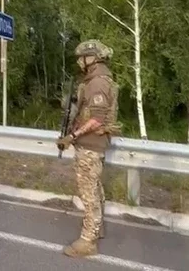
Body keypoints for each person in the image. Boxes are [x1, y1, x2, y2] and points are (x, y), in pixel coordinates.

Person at [56, 39, 119, 258]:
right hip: (93, 144)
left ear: (91, 58)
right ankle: (97, 228)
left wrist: (72, 136)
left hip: (90, 145)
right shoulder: (100, 79)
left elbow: (97, 119)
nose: (79, 62)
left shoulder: (97, 83)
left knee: (88, 192)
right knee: (95, 189)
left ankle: (87, 241)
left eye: (81, 58)